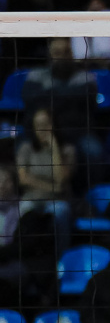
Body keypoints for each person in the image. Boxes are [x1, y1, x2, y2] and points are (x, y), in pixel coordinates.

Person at [16, 106, 75, 255]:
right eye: (38, 125)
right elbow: (23, 179)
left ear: (54, 124)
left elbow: (61, 179)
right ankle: (25, 258)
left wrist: (54, 148)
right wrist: (51, 187)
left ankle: (60, 258)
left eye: (46, 124)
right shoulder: (26, 148)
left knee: (60, 214)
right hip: (32, 198)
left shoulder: (67, 150)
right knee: (24, 211)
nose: (42, 129)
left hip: (58, 201)